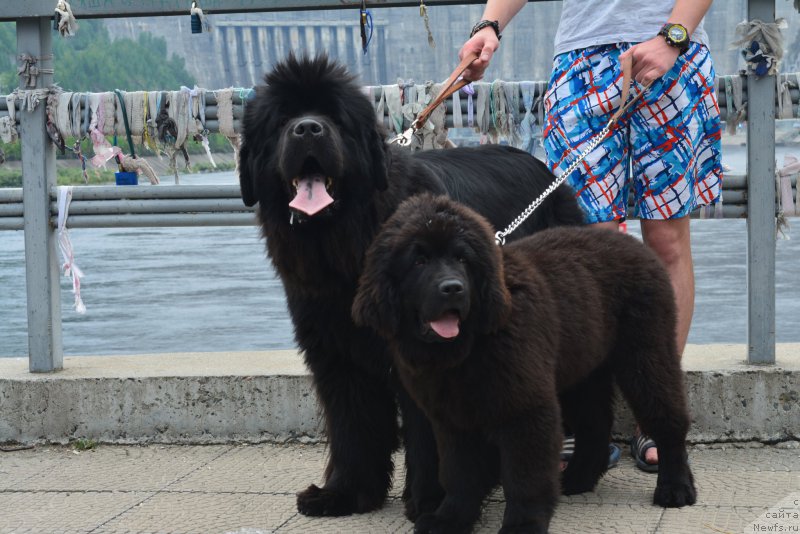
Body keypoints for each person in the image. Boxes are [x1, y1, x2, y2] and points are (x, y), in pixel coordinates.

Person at [459, 0, 722, 472]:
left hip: (671, 55)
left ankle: (656, 417)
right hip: (582, 62)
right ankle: (583, 421)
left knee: (666, 242)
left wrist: (673, 37)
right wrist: (489, 25)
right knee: (586, 246)